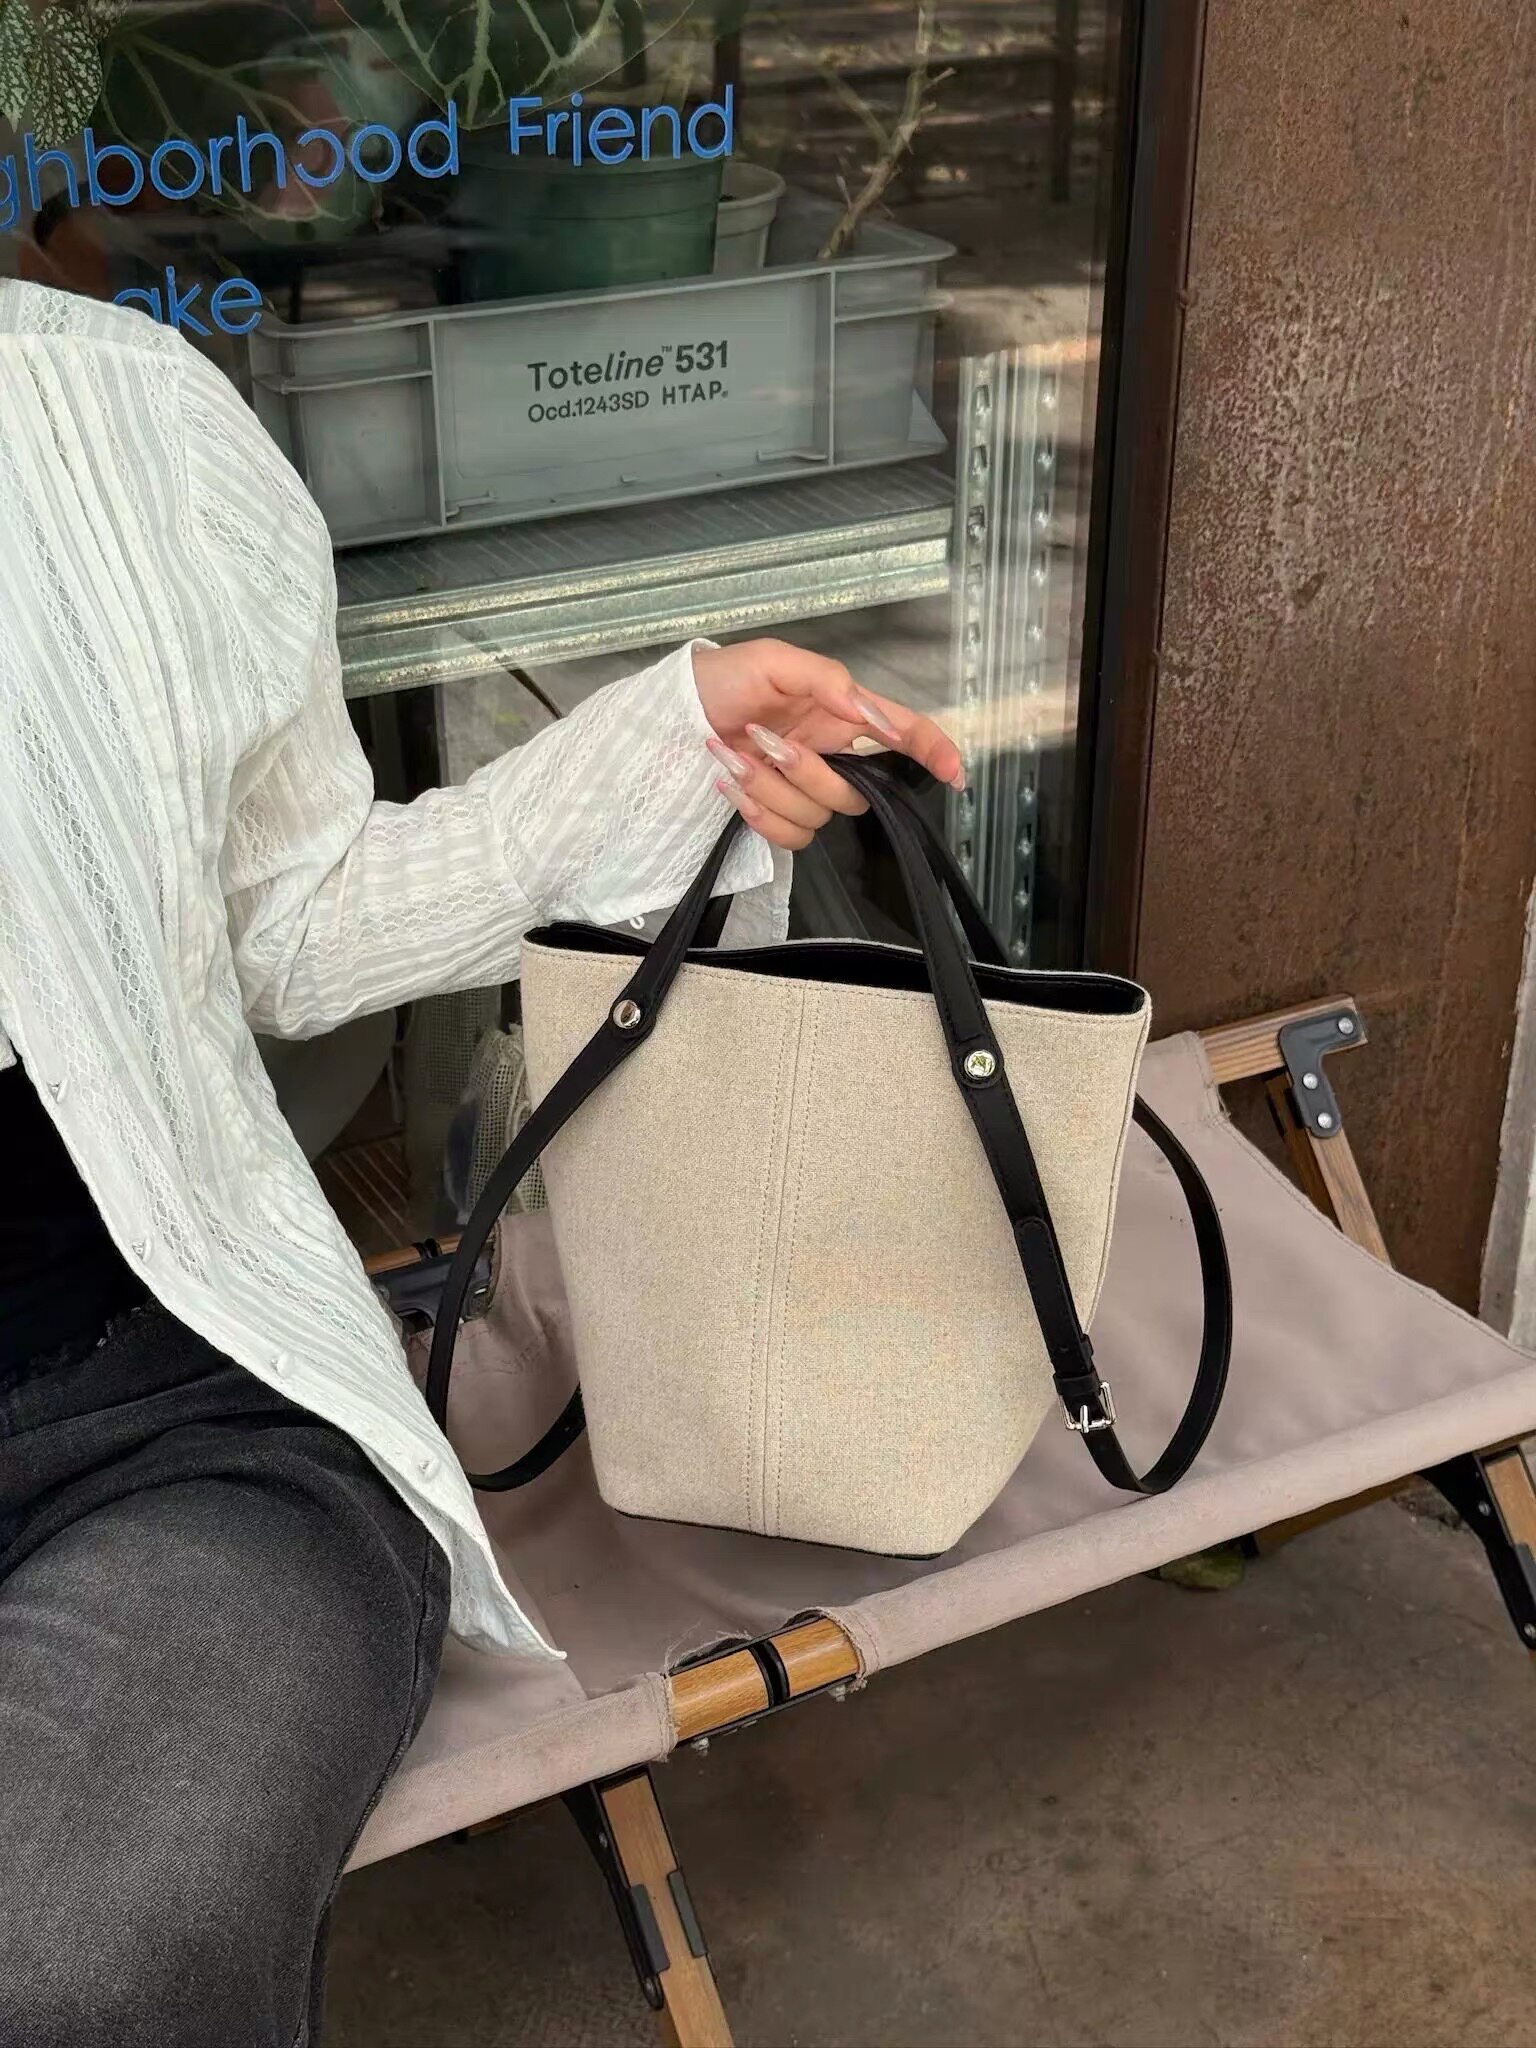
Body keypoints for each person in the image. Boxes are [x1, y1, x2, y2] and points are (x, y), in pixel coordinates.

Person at [0, 278, 963, 2047]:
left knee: (69, 1968)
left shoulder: (110, 412)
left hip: (169, 1425)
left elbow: (284, 918)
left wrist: (665, 748)